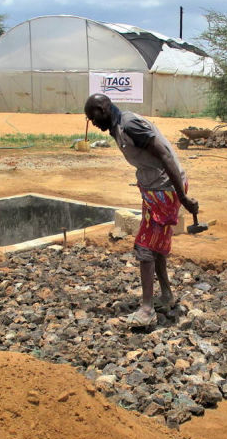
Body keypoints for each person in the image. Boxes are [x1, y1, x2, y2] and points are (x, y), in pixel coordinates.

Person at [84, 93, 199, 327]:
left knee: (144, 247)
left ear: (103, 108)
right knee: (155, 246)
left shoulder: (130, 124)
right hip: (154, 189)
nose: (92, 123)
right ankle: (166, 295)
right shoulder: (118, 127)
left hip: (165, 189)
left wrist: (182, 196)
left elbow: (165, 155)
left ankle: (146, 310)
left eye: (92, 117)